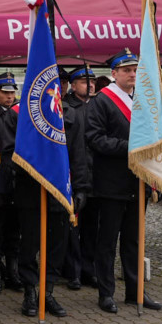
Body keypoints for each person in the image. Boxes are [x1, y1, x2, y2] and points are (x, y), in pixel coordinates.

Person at [85, 48, 162, 313]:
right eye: (127, 70)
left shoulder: (142, 101)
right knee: (107, 242)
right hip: (111, 184)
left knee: (134, 240)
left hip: (137, 183)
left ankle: (135, 290)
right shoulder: (102, 102)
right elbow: (95, 139)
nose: (132, 74)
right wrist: (130, 146)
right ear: (114, 73)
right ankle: (106, 293)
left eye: (135, 70)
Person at [15, 72, 92, 317]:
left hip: (60, 193)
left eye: (63, 83)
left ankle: (47, 292)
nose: (59, 87)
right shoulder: (22, 115)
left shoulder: (71, 115)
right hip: (31, 192)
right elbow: (10, 154)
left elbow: (79, 156)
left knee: (57, 246)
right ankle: (29, 292)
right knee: (29, 245)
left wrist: (81, 189)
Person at [63, 65, 97, 290]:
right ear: (73, 86)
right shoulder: (67, 108)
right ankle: (72, 272)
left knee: (93, 229)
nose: (90, 84)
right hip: (75, 176)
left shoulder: (98, 106)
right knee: (72, 229)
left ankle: (89, 270)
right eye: (85, 81)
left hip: (96, 176)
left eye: (92, 81)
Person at [0, 72, 21, 293]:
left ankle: (12, 270)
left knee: (14, 229)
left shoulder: (18, 113)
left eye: (12, 93)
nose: (10, 97)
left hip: (15, 176)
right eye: (5, 93)